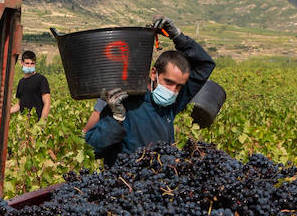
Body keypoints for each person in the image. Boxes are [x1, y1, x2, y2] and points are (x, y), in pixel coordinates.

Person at [82, 17, 215, 165]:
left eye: (179, 86)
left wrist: (178, 36)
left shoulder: (172, 103)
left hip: (162, 182)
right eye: (168, 82)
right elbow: (93, 147)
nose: (172, 91)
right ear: (154, 73)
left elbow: (205, 65)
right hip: (128, 182)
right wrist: (116, 119)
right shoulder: (125, 102)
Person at [10, 49, 52, 120]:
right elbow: (20, 104)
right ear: (21, 63)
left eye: (32, 63)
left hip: (36, 122)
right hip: (24, 123)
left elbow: (47, 102)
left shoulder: (41, 79)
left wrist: (42, 122)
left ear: (35, 64)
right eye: (27, 63)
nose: (29, 66)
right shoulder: (21, 82)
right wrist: (8, 111)